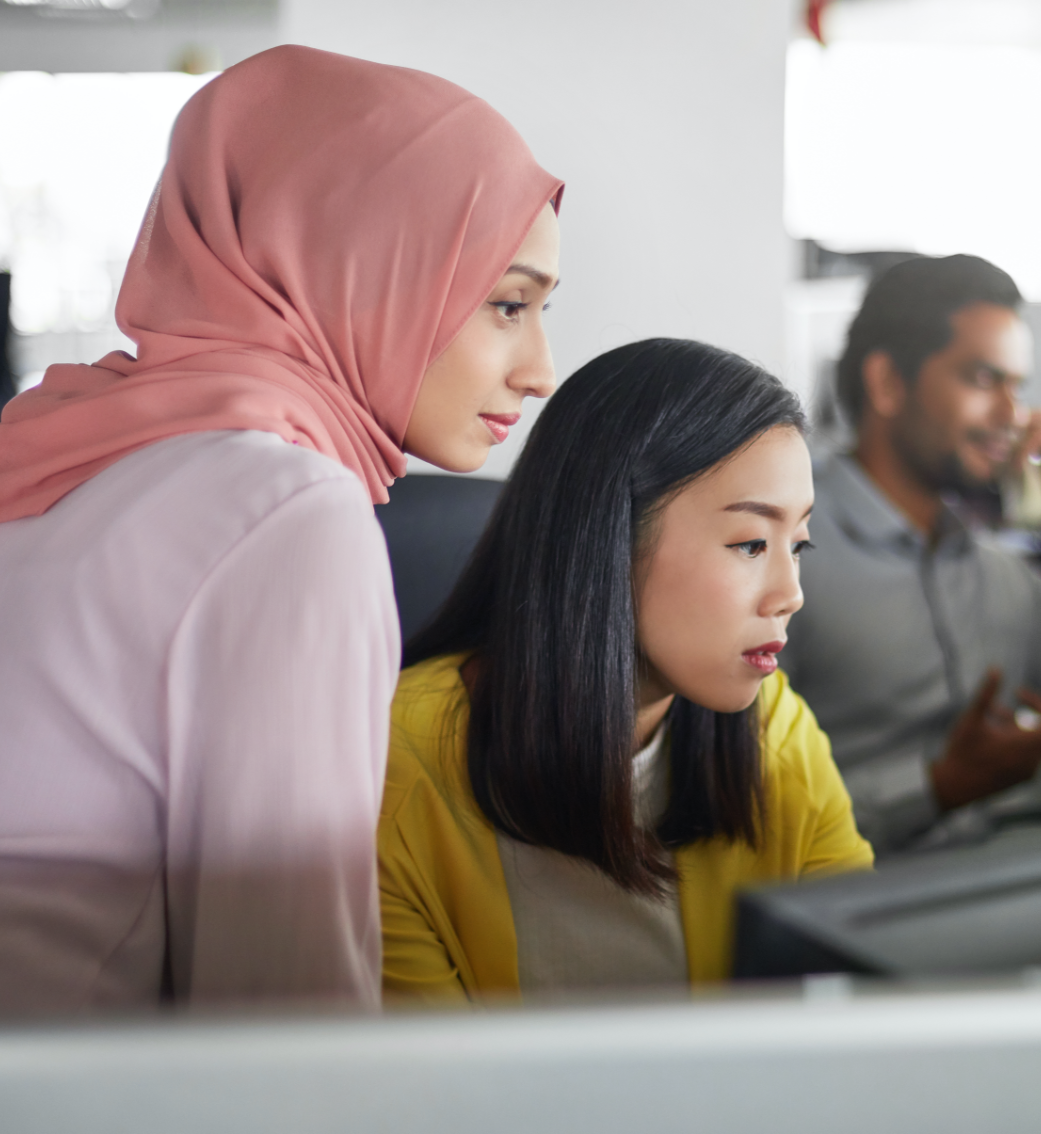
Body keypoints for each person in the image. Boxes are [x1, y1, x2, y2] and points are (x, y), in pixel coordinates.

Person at [0, 46, 562, 1014]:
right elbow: (288, 1014)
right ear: (365, 269)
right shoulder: (288, 513)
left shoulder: (70, 443)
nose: (540, 370)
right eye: (508, 305)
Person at [379, 339, 873, 1002]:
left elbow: (854, 1007)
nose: (791, 593)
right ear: (608, 537)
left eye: (799, 545)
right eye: (752, 544)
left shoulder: (777, 733)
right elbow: (425, 1066)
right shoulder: (391, 766)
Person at [779, 255, 1041, 853]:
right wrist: (937, 788)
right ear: (888, 383)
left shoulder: (998, 575)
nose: (1013, 416)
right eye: (981, 380)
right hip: (841, 896)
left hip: (986, 880)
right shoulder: (785, 559)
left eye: (1016, 387)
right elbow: (734, 815)